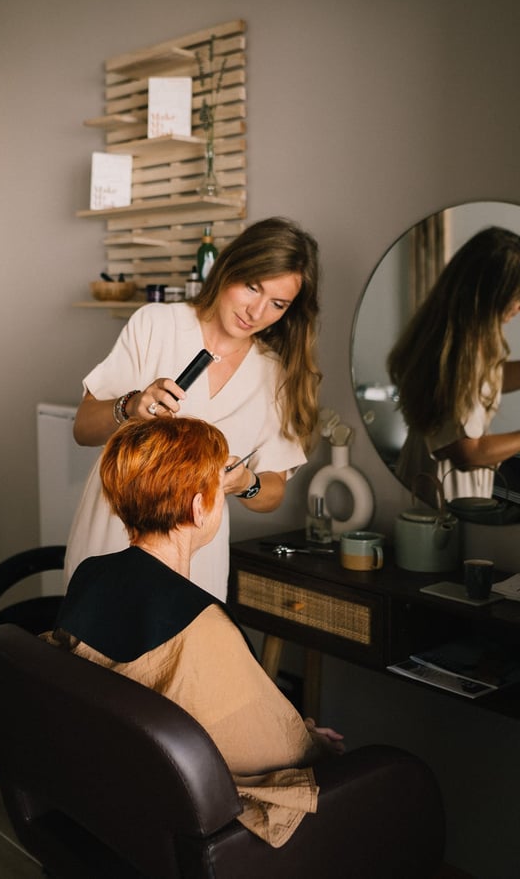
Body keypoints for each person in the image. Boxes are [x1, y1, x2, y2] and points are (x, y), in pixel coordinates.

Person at [48, 416, 344, 847]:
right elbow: (275, 750)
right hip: (183, 827)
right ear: (198, 507)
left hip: (111, 798)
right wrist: (311, 739)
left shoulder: (90, 576)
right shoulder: (202, 624)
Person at [64, 216, 321, 599]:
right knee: (91, 653)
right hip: (117, 530)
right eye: (252, 287)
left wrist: (245, 483)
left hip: (196, 551)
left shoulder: (274, 374)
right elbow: (83, 430)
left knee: (182, 653)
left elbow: (273, 491)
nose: (256, 312)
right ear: (229, 268)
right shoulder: (156, 324)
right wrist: (131, 406)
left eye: (277, 304)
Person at [388, 226, 520, 503]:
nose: (519, 306)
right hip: (443, 498)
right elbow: (468, 453)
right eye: (516, 295)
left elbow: (484, 382)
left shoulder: (459, 336)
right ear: (492, 294)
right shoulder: (458, 352)